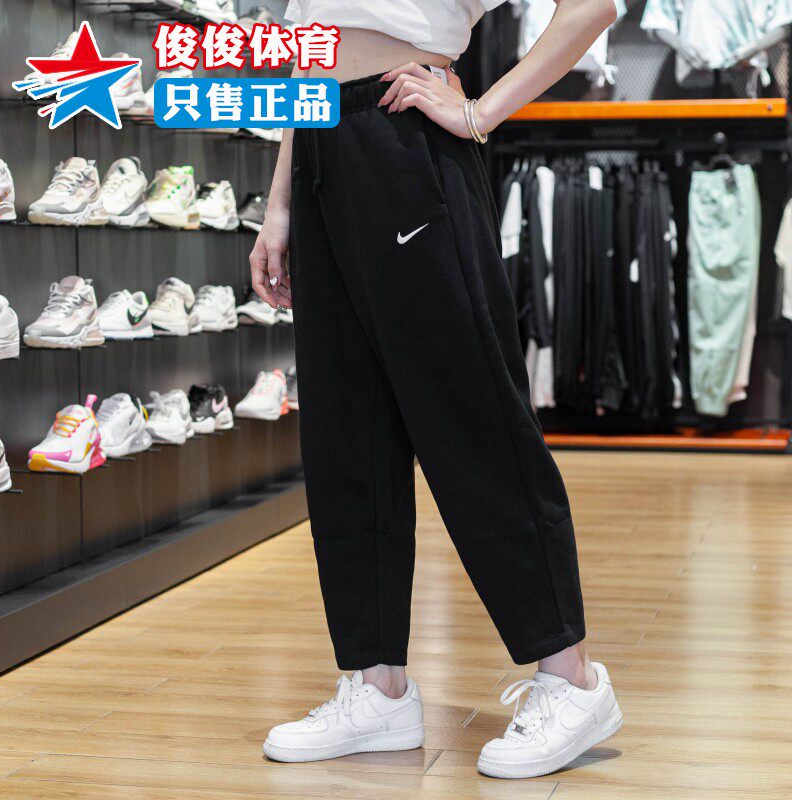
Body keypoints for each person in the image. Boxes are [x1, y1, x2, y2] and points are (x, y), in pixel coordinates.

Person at [250, 0, 622, 780]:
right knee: (346, 427)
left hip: (404, 131)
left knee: (472, 416)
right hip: (319, 142)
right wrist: (279, 203)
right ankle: (377, 686)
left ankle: (572, 680)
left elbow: (592, 7)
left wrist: (481, 111)